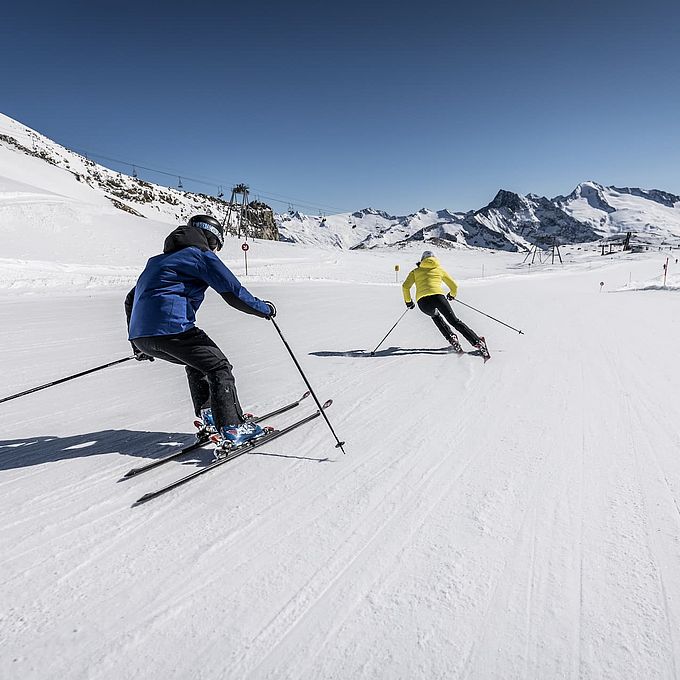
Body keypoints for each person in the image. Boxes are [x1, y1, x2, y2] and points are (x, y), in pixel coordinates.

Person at [124, 214, 275, 450]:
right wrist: (263, 309)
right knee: (218, 366)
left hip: (143, 337)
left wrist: (138, 344)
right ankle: (232, 427)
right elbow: (233, 291)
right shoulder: (199, 255)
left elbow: (131, 299)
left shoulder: (158, 261)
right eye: (215, 245)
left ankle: (212, 418)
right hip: (172, 329)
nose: (214, 250)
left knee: (198, 363)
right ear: (210, 237)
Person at [401, 250, 488, 355]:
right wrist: (452, 295)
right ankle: (477, 342)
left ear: (422, 260)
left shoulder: (415, 271)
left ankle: (451, 338)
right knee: (454, 321)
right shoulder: (439, 270)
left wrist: (408, 302)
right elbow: (454, 286)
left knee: (435, 316)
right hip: (438, 298)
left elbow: (405, 286)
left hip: (423, 302)